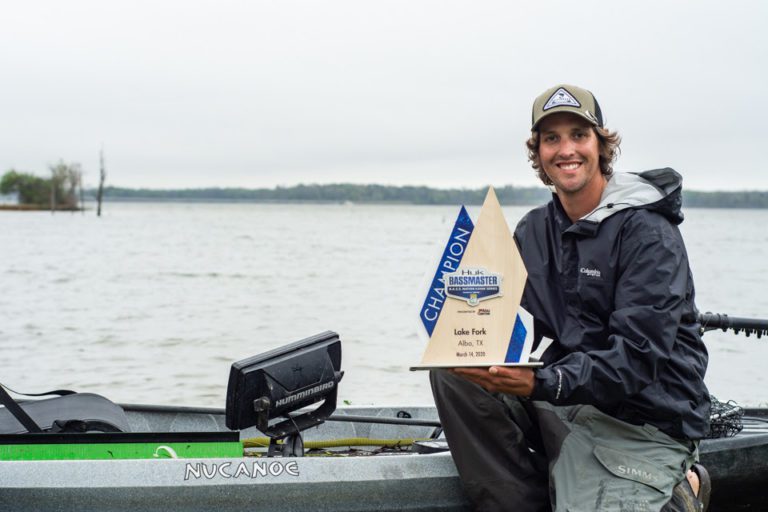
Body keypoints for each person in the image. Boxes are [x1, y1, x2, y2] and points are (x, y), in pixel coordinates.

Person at [430, 84, 711, 512]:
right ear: (538, 153)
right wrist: (465, 322)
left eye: (579, 135)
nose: (566, 150)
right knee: (456, 374)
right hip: (568, 403)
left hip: (642, 421)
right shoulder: (533, 230)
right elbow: (511, 326)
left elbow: (637, 358)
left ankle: (679, 487)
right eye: (551, 138)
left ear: (601, 146)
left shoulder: (648, 234)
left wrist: (544, 381)